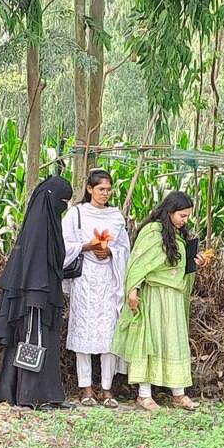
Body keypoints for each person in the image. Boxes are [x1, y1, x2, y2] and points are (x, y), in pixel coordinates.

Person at [113, 190, 204, 412]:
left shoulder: (179, 234)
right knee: (149, 341)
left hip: (173, 296)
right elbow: (138, 264)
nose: (185, 220)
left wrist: (194, 263)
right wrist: (133, 291)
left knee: (174, 342)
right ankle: (144, 395)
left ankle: (178, 394)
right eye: (182, 215)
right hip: (153, 295)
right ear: (170, 211)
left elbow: (179, 266)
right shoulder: (152, 232)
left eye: (187, 216)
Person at [0, 175, 75, 409]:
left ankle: (34, 394)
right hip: (34, 293)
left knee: (41, 341)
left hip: (41, 291)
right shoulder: (39, 227)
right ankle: (31, 397)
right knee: (33, 341)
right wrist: (36, 294)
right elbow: (35, 264)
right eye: (63, 201)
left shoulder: (46, 223)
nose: (64, 206)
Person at [61, 169, 132, 406]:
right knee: (84, 330)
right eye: (101, 189)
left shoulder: (115, 216)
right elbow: (64, 245)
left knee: (109, 333)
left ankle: (107, 388)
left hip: (109, 279)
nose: (105, 193)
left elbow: (125, 249)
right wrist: (87, 246)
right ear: (90, 189)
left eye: (108, 190)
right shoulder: (76, 214)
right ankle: (86, 388)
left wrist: (110, 251)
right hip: (85, 279)